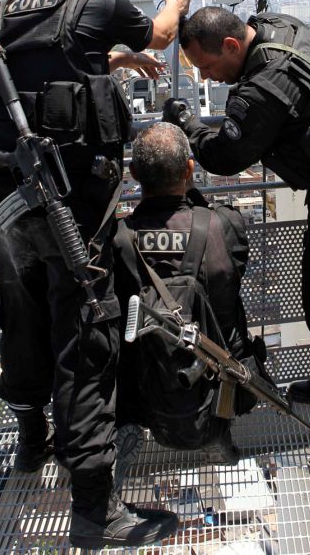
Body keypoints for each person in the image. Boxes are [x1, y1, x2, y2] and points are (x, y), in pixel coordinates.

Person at [0, 0, 188, 549]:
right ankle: (93, 509)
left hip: (9, 206)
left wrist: (114, 60)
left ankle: (32, 440)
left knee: (23, 318)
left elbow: (39, 77)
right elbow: (163, 34)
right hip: (74, 212)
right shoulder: (96, 7)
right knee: (86, 341)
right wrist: (176, 3)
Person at [163, 6, 310, 475]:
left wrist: (188, 127)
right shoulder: (279, 30)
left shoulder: (265, 84)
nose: (209, 77)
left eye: (208, 66)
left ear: (231, 45)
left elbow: (226, 155)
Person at [113, 122, 252, 462]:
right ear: (190, 169)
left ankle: (125, 429)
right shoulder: (224, 225)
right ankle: (219, 432)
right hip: (217, 373)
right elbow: (234, 279)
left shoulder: (118, 239)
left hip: (145, 383)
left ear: (133, 173)